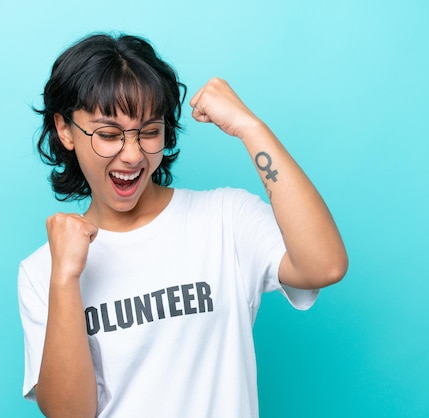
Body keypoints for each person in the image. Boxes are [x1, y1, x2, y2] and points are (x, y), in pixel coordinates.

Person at [18, 32, 348, 418]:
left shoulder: (226, 218)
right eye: (108, 135)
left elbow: (324, 265)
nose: (132, 155)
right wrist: (66, 278)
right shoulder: (43, 272)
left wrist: (249, 128)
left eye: (149, 132)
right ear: (65, 130)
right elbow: (70, 414)